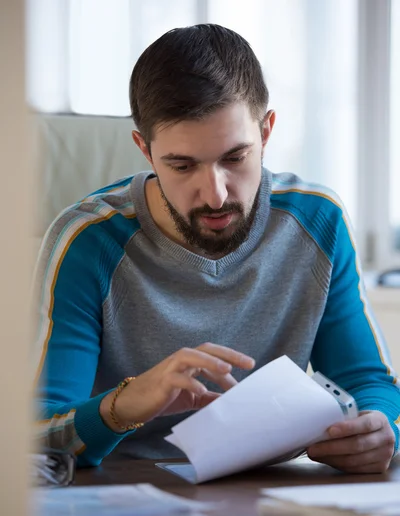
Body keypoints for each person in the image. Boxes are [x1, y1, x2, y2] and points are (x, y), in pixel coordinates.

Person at [34, 24, 400, 473]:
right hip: (127, 495)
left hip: (270, 491)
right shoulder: (86, 241)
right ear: (145, 150)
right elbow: (38, 438)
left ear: (266, 132)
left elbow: (367, 382)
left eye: (234, 158)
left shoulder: (318, 222)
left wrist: (380, 427)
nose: (215, 194)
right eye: (183, 165)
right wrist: (126, 404)